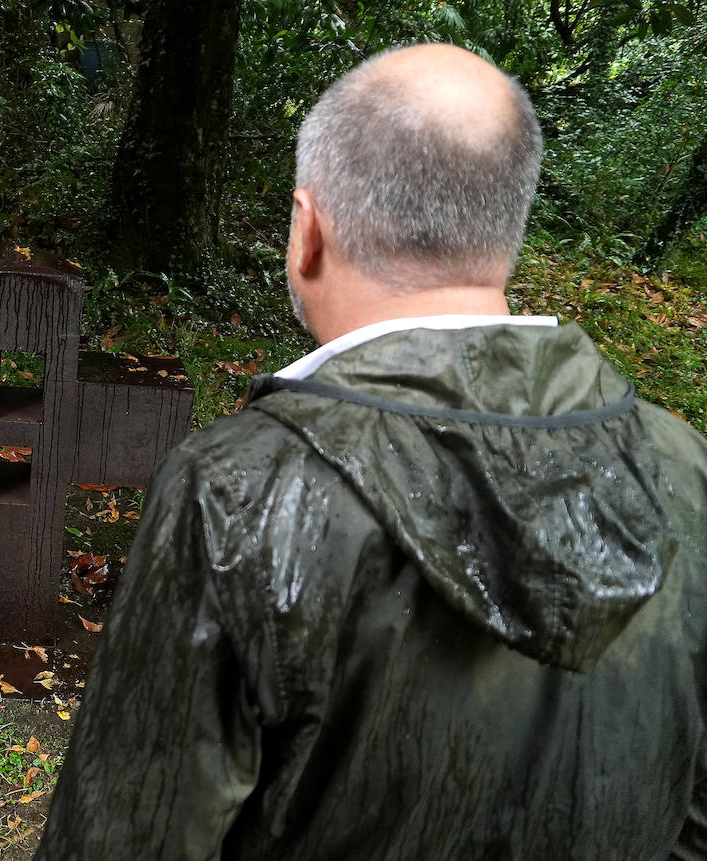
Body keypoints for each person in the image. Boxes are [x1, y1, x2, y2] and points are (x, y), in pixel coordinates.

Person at [37, 43, 707, 860]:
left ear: (307, 229)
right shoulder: (685, 470)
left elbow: (126, 836)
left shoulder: (237, 490)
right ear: (505, 227)